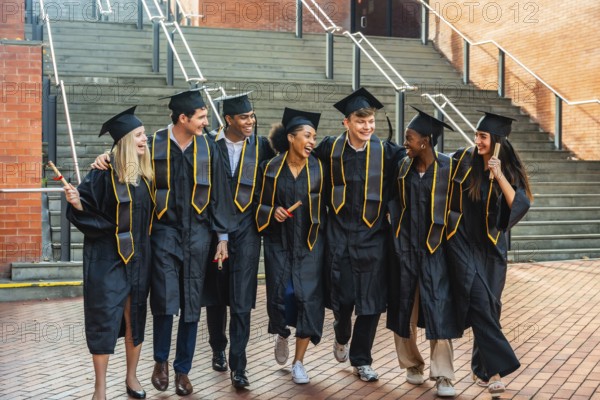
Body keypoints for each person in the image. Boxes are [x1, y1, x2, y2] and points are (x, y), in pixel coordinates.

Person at [91, 89, 233, 396]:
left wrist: (222, 236)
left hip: (199, 233)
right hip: (164, 232)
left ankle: (183, 370)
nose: (207, 121)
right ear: (183, 118)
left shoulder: (209, 146)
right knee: (165, 303)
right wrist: (105, 157)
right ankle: (160, 362)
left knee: (192, 304)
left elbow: (221, 192)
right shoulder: (153, 142)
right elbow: (124, 157)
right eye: (202, 116)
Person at [312, 87, 405, 382]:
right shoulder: (329, 148)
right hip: (338, 237)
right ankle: (341, 332)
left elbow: (421, 160)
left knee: (372, 302)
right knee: (343, 298)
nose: (367, 127)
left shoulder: (388, 153)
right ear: (347, 123)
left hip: (373, 238)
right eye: (360, 121)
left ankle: (361, 359)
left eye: (371, 122)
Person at [65, 106, 153, 400]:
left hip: (140, 259)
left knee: (135, 318)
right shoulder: (101, 174)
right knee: (103, 319)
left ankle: (132, 377)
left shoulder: (145, 174)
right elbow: (85, 212)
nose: (145, 140)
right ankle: (99, 388)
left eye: (145, 135)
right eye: (140, 135)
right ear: (126, 140)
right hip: (107, 259)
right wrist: (77, 203)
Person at [445, 111, 532, 398]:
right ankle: (495, 371)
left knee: (490, 307)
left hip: (494, 249)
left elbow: (519, 205)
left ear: (496, 142)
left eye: (483, 137)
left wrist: (499, 175)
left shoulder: (507, 169)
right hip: (464, 245)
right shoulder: (462, 159)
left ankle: (479, 367)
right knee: (481, 304)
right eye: (477, 135)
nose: (477, 141)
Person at [387, 107, 461, 398]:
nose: (405, 143)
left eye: (410, 138)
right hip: (405, 251)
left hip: (436, 252)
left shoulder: (449, 168)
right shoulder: (403, 168)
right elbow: (394, 203)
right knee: (403, 308)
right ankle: (412, 365)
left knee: (439, 309)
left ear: (425, 141)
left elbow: (458, 209)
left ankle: (443, 375)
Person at [202, 92, 275, 389]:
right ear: (228, 119)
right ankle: (217, 345)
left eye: (252, 116)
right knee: (217, 296)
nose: (250, 121)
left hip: (247, 230)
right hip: (214, 229)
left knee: (242, 299)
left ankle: (239, 365)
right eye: (244, 117)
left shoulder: (261, 147)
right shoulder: (209, 145)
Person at [256, 108, 326, 385]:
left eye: (314, 137)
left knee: (308, 300)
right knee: (283, 295)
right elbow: (258, 204)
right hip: (279, 242)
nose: (311, 141)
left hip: (310, 244)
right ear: (291, 138)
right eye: (307, 136)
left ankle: (299, 362)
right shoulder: (271, 168)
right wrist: (272, 211)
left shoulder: (319, 167)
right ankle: (282, 332)